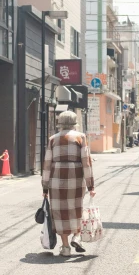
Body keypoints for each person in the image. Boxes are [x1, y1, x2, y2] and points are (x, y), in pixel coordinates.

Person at [42, 110, 96, 257]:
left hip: (56, 178)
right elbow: (86, 162)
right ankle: (77, 237)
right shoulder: (80, 137)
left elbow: (47, 164)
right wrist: (91, 185)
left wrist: (45, 187)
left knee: (59, 213)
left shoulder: (53, 139)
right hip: (76, 178)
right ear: (74, 123)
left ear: (60, 123)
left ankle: (65, 247)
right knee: (76, 209)